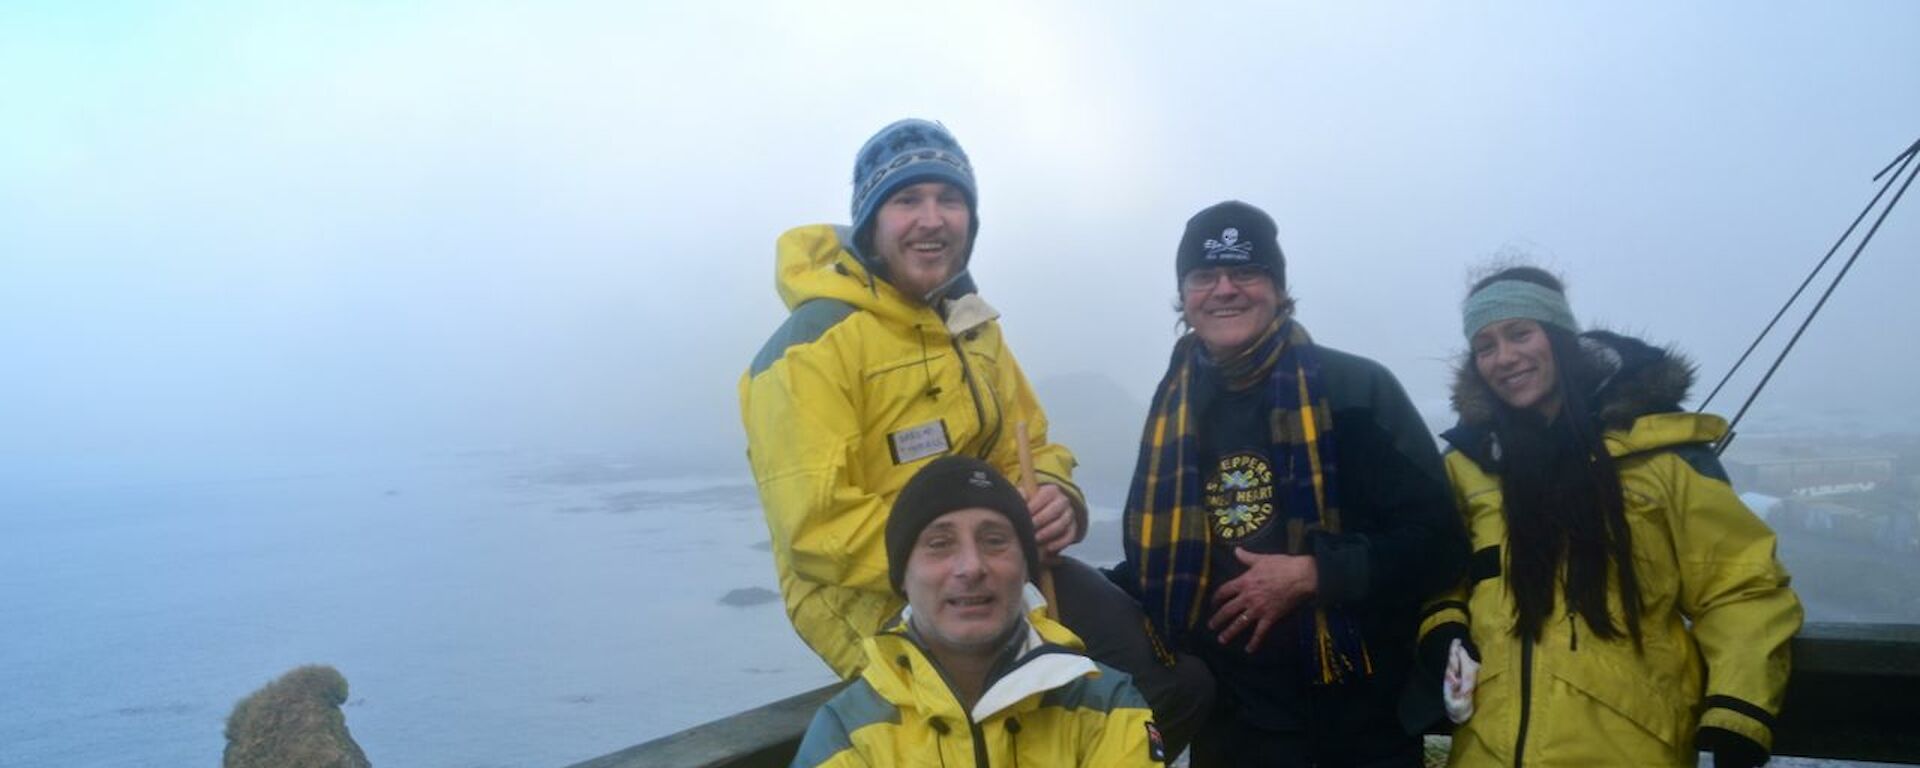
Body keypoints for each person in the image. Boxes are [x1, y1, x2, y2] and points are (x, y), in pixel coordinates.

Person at [740, 119, 1211, 752]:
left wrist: (1055, 496)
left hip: (1004, 568)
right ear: (871, 222)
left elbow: (1033, 439)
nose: (932, 219)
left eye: (950, 199)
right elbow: (815, 531)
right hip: (874, 595)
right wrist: (971, 554)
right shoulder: (811, 347)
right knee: (999, 728)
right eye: (908, 200)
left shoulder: (967, 322)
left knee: (1179, 687)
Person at [1116, 200, 1469, 766]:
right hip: (1233, 727)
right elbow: (1161, 565)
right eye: (1204, 276)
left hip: (1360, 726)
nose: (1224, 289)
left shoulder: (1355, 390)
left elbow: (1439, 542)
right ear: (1184, 297)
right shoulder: (1175, 412)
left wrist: (1315, 573)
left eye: (1246, 272)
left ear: (1278, 289)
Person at [1419, 265, 1802, 767]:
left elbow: (1740, 587)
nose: (1505, 357)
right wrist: (1445, 627)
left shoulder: (1664, 456)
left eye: (1519, 333)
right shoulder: (1469, 468)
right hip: (1486, 747)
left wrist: (1738, 711)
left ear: (1558, 336)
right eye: (1485, 346)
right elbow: (1442, 572)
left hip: (1628, 748)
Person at [791, 456, 1162, 767]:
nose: (971, 566)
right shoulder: (846, 736)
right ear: (902, 576)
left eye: (994, 541)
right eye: (939, 544)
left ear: (1025, 567)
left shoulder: (1107, 708)